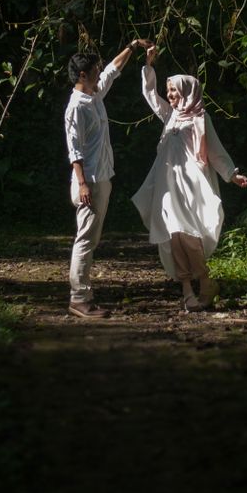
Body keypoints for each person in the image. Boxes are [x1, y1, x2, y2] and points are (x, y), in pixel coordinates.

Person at [132, 46, 247, 311]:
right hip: (167, 187)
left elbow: (216, 151)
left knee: (189, 235)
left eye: (174, 90)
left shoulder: (200, 118)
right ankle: (187, 290)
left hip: (191, 185)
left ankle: (205, 281)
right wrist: (148, 66)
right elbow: (150, 95)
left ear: (188, 91)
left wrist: (232, 174)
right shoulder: (169, 115)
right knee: (172, 234)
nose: (170, 95)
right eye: (169, 90)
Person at [64, 38, 152, 319]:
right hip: (88, 180)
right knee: (86, 239)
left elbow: (112, 70)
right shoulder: (77, 106)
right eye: (94, 69)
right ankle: (79, 299)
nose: (99, 72)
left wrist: (133, 45)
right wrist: (82, 183)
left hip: (101, 177)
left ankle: (83, 295)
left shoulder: (94, 96)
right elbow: (73, 148)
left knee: (91, 238)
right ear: (82, 74)